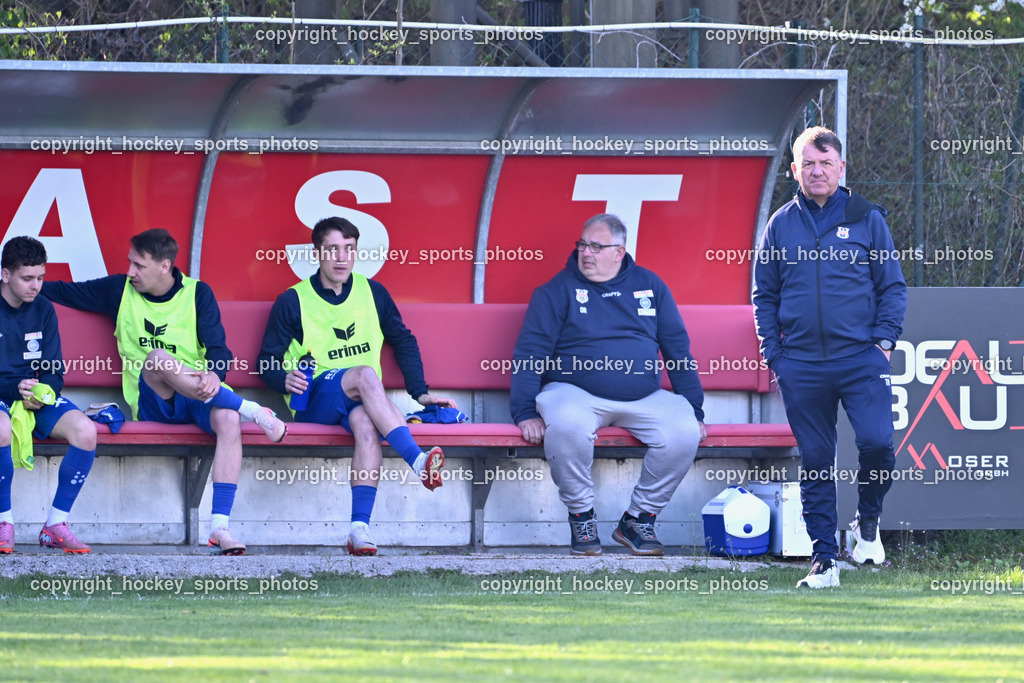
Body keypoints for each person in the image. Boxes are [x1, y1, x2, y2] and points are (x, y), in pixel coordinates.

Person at [42, 229, 287, 556]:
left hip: (200, 394)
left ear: (164, 266)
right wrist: (12, 283)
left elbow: (218, 348)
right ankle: (251, 409)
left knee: (228, 419)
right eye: (130, 263)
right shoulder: (119, 290)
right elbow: (59, 291)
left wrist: (216, 373)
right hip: (152, 400)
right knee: (158, 359)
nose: (131, 272)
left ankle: (219, 529)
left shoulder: (198, 294)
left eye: (139, 266)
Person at [752, 126, 907, 588]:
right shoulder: (780, 223)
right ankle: (824, 560)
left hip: (861, 360)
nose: (817, 172)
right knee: (817, 459)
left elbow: (892, 287)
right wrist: (775, 355)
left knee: (878, 444)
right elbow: (763, 296)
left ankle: (867, 521)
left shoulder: (867, 218)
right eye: (808, 164)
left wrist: (883, 343)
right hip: (800, 365)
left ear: (841, 168)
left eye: (826, 164)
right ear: (795, 170)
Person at [257, 217, 455, 557]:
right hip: (314, 400)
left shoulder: (372, 292)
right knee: (365, 374)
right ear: (318, 253)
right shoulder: (293, 300)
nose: (342, 258)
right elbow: (265, 361)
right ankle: (418, 462)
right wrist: (282, 377)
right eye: (333, 249)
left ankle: (358, 529)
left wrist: (420, 393)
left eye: (349, 249)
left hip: (359, 400)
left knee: (366, 425)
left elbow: (403, 340)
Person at [511, 213, 706, 556]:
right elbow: (530, 353)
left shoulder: (650, 286)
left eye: (597, 246)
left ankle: (638, 519)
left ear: (619, 251)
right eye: (583, 244)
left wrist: (695, 408)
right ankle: (581, 516)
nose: (586, 252)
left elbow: (678, 350)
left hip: (643, 396)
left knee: (685, 429)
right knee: (567, 424)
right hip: (575, 393)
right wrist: (525, 411)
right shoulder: (557, 290)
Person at [0, 236, 97, 553]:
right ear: (5, 275)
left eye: (40, 278)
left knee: (85, 430)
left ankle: (55, 525)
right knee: (1, 429)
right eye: (27, 278)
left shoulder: (43, 309)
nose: (36, 286)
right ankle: (4, 523)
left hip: (32, 395)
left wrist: (44, 393)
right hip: (4, 394)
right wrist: (14, 390)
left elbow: (55, 369)